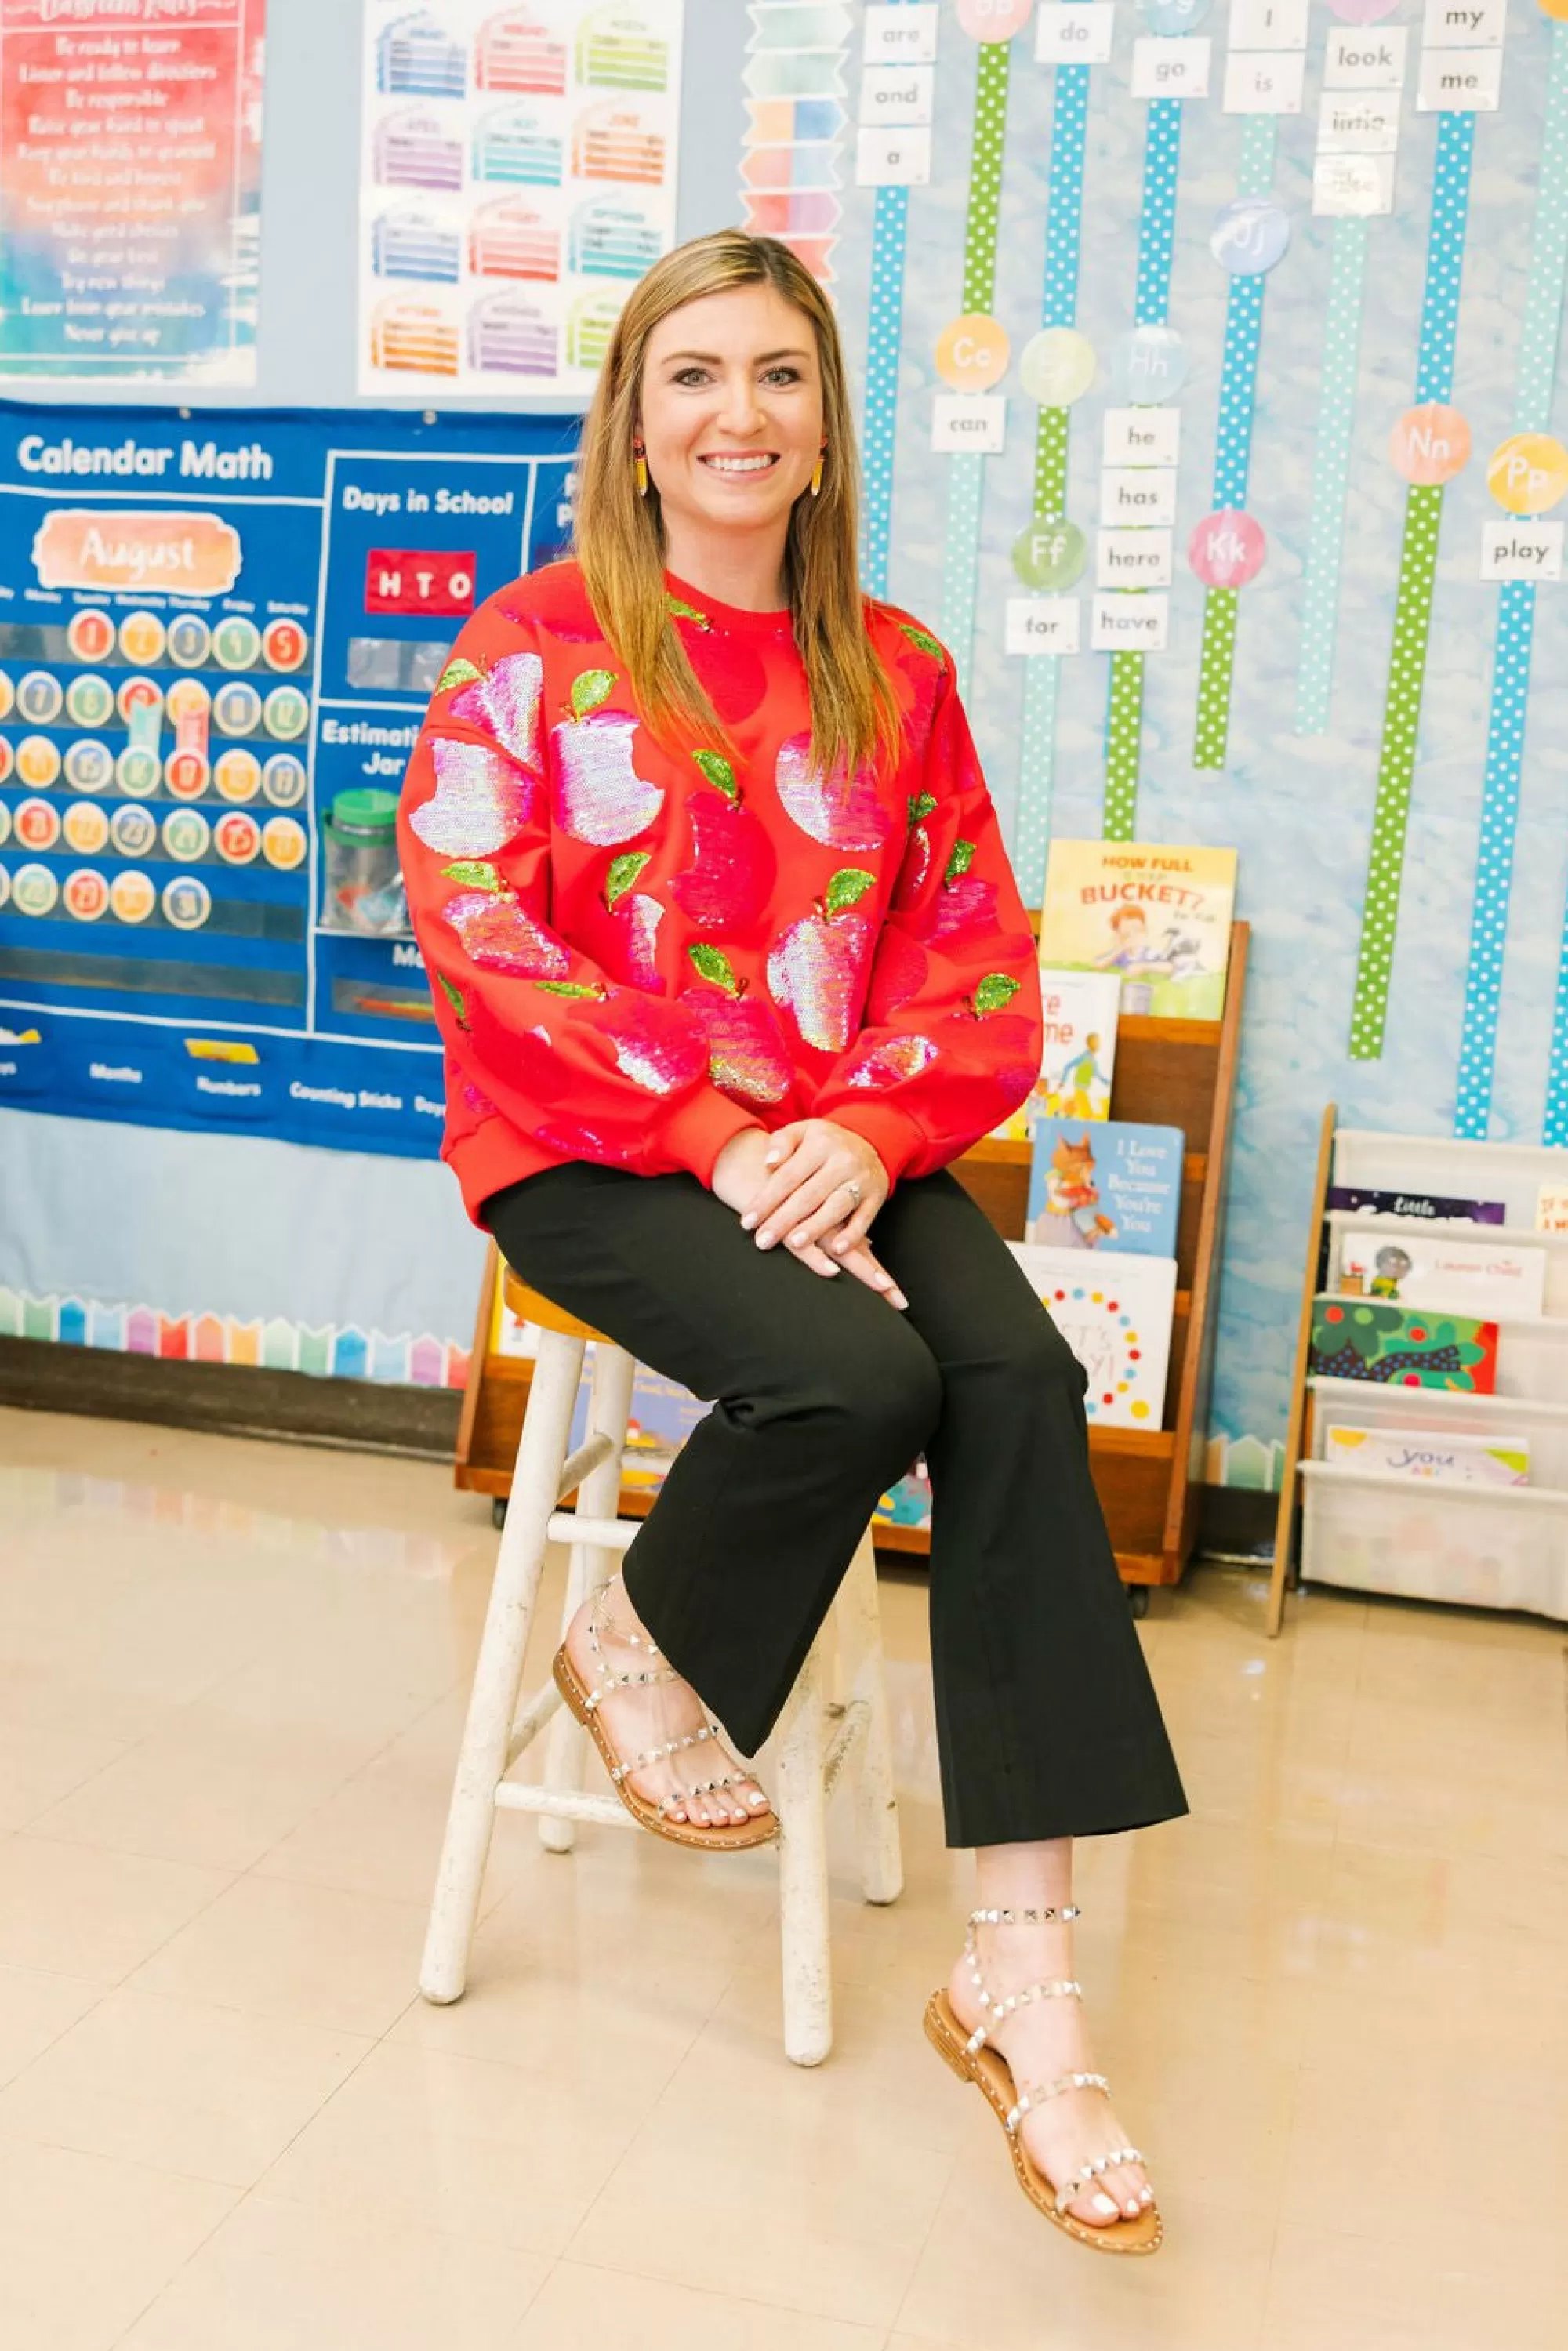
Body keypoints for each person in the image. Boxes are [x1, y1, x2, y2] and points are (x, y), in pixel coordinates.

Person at [397, 228, 1187, 2253]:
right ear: (634, 425)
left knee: (1015, 1368)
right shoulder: (538, 649)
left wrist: (859, 1121)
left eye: (777, 378)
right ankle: (639, 1635)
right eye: (692, 378)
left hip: (838, 1136)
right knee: (858, 1370)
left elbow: (975, 955)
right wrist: (713, 1132)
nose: (734, 415)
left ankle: (1023, 1967)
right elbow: (481, 936)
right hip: (598, 1143)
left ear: (829, 427)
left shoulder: (895, 669)